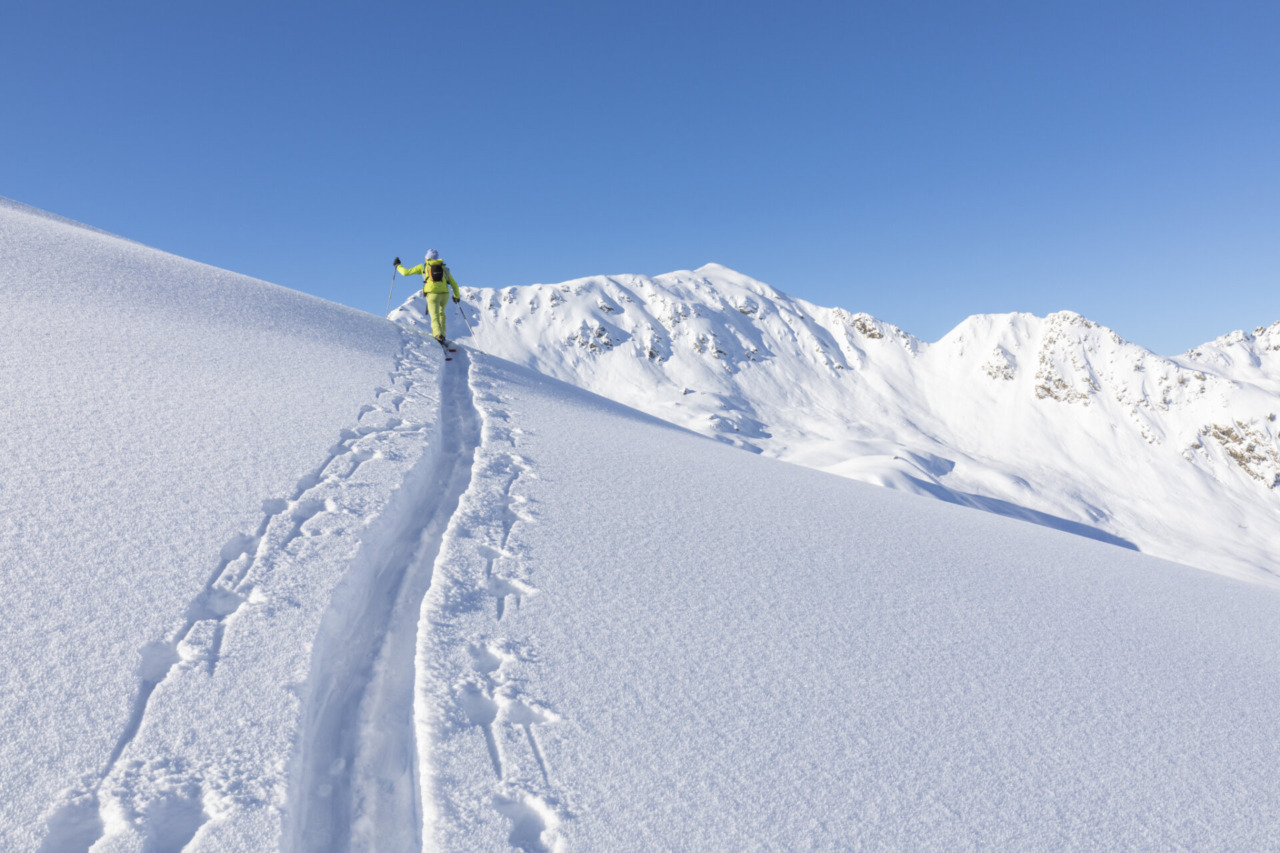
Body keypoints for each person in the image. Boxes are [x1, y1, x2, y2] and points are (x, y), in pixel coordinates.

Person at [393, 249, 461, 342]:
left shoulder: (423, 267)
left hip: (432, 295)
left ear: (427, 258)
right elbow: (454, 283)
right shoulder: (444, 269)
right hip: (445, 294)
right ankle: (443, 335)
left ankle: (438, 335)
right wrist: (457, 296)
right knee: (441, 314)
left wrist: (398, 265)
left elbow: (405, 272)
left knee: (434, 316)